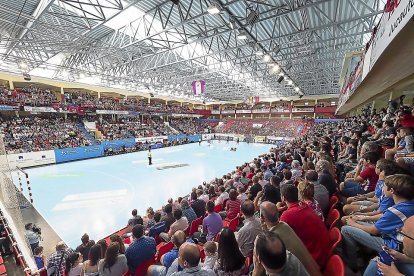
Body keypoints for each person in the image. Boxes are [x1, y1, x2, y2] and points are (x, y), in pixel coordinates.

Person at [341, 174, 414, 271]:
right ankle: (364, 251)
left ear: (391, 191)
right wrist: (362, 218)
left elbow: (373, 230)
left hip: (393, 245)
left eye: (385, 186)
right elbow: (384, 216)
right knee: (354, 221)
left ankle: (353, 265)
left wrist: (353, 224)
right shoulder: (408, 204)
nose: (383, 188)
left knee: (346, 229)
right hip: (395, 240)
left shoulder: (396, 211)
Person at [259, 201, 321, 276]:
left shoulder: (273, 240)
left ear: (262, 217)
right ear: (278, 213)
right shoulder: (284, 225)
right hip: (314, 269)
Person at [279, 185, 330, 268]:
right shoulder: (304, 204)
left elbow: (278, 236)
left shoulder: (287, 215)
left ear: (283, 198)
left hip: (316, 260)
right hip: (324, 251)